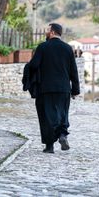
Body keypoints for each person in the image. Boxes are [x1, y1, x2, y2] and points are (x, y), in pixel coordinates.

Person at [29, 23, 80, 153]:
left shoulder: (42, 47)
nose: (46, 32)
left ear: (52, 32)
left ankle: (49, 146)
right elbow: (73, 70)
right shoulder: (68, 48)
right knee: (62, 114)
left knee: (46, 117)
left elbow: (33, 65)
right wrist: (75, 90)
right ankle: (62, 135)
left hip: (45, 89)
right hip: (63, 89)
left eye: (47, 29)